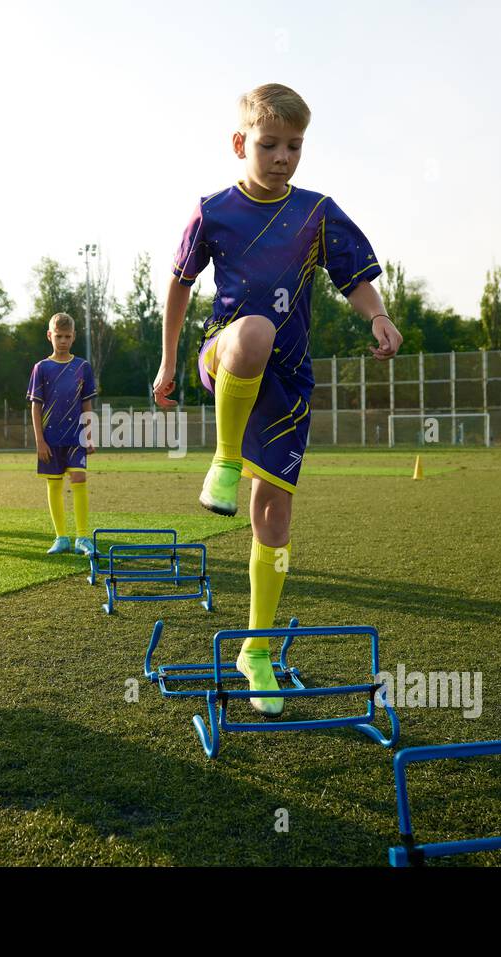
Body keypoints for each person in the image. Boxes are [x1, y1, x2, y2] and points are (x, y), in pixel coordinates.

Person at [152, 84, 402, 714]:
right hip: (227, 354)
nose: (284, 156)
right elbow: (179, 287)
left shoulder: (318, 213)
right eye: (270, 144)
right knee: (256, 330)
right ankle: (224, 460)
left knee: (275, 517)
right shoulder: (213, 212)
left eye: (295, 146)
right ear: (241, 143)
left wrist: (378, 316)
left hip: (289, 384)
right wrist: (168, 362)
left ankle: (256, 650)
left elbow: (356, 276)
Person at [27, 313, 96, 556]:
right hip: (50, 438)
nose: (63, 341)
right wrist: (39, 440)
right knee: (54, 483)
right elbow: (35, 406)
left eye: (67, 336)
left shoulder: (82, 367)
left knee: (79, 479)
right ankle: (61, 537)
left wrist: (89, 434)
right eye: (58, 336)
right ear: (50, 336)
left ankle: (83, 538)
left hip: (76, 436)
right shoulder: (41, 368)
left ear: (74, 337)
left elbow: (87, 403)